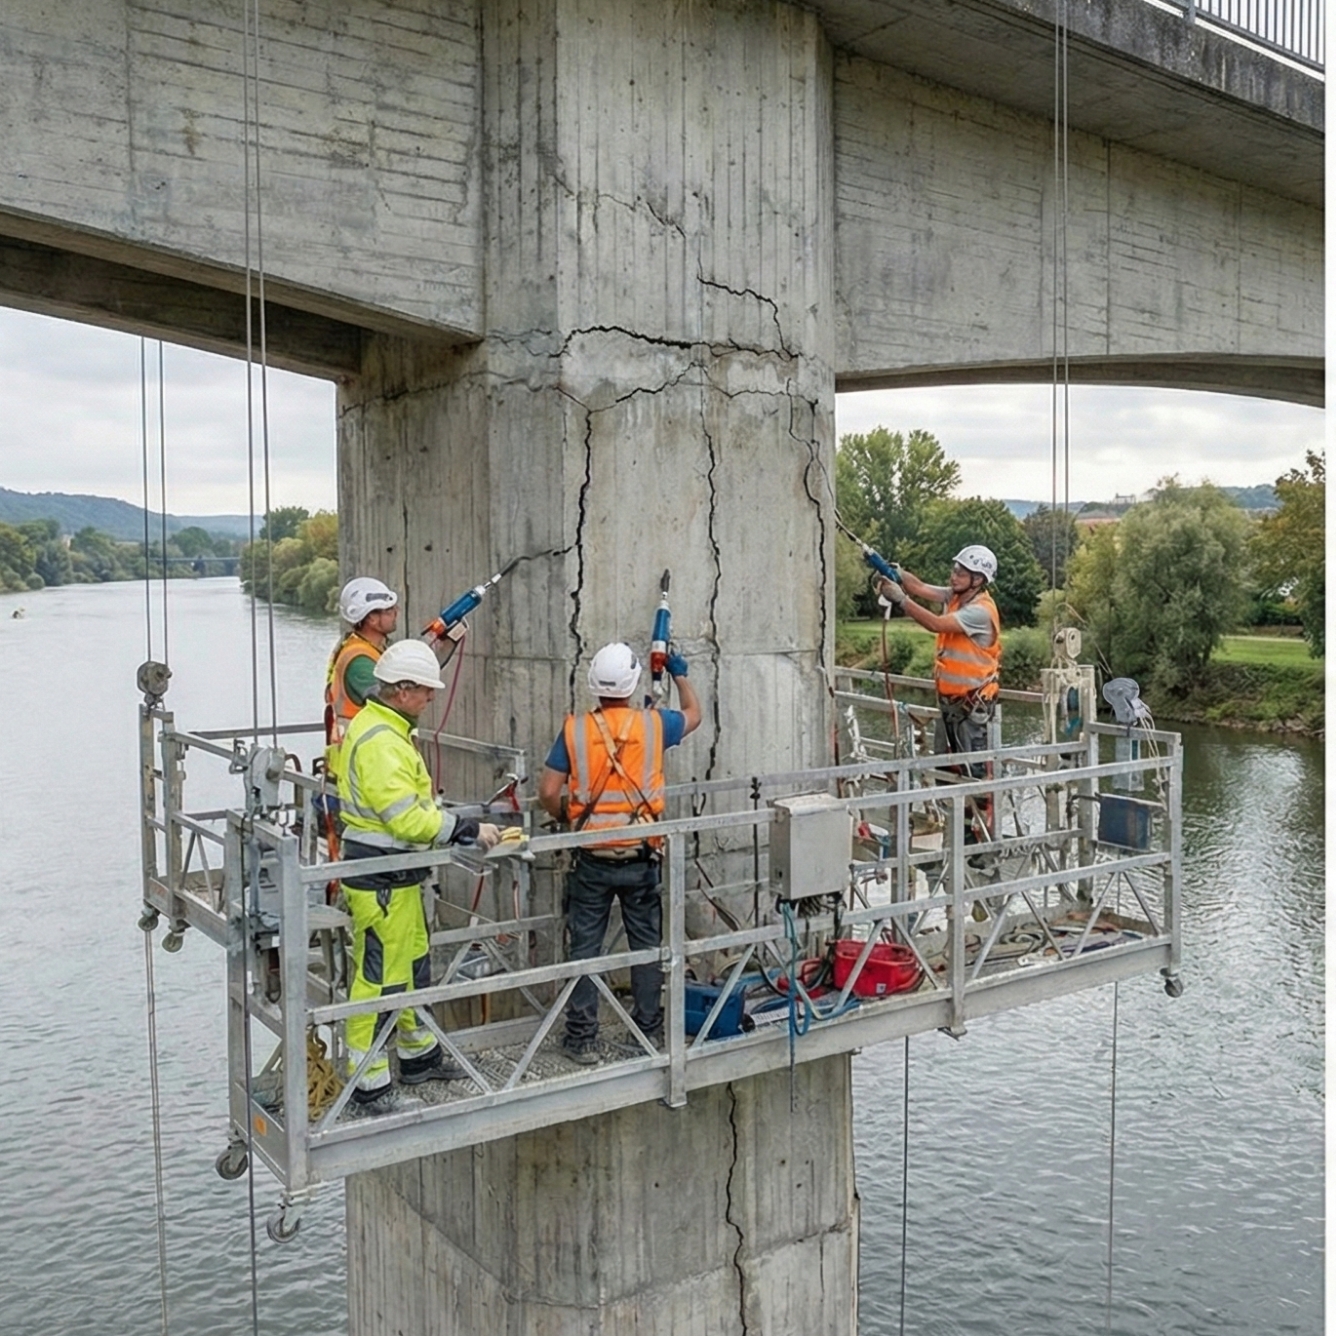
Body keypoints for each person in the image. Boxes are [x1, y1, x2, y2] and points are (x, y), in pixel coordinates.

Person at [337, 638, 501, 1109]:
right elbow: (405, 819)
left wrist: (448, 823)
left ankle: (417, 1057)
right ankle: (367, 1085)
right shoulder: (381, 741)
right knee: (376, 976)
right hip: (380, 877)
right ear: (402, 689)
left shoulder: (387, 731)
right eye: (426, 690)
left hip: (399, 877)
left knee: (410, 967)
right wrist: (464, 828)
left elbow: (408, 811)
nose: (432, 698)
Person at [536, 641, 702, 1065]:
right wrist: (680, 673)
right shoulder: (653, 725)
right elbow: (695, 715)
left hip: (591, 858)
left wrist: (567, 819)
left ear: (594, 685)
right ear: (632, 683)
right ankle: (646, 1031)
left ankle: (582, 1038)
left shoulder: (574, 730)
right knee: (646, 945)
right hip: (641, 855)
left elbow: (548, 792)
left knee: (585, 947)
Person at [876, 544, 1001, 836]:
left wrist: (901, 600)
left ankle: (978, 840)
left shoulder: (980, 611)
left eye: (961, 571)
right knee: (948, 772)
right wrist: (893, 571)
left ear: (978, 579)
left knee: (974, 776)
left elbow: (934, 623)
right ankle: (956, 833)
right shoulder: (955, 596)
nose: (954, 574)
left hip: (972, 710)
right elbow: (920, 587)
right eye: (955, 568)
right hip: (952, 706)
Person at [323, 576, 400, 789]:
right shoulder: (359, 660)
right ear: (372, 618)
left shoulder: (371, 650)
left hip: (363, 765)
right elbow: (395, 702)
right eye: (389, 609)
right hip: (358, 769)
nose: (396, 612)